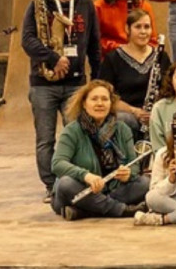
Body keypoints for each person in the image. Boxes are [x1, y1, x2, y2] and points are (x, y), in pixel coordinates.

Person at [21, 0, 101, 203]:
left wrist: (96, 80)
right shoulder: (38, 4)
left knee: (78, 136)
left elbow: (94, 45)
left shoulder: (85, 5)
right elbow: (27, 40)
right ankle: (51, 185)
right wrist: (53, 58)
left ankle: (75, 181)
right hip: (43, 84)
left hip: (76, 84)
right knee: (45, 139)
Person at [50, 81, 150, 221]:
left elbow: (133, 165)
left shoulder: (123, 129)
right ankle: (122, 210)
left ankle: (85, 211)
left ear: (111, 104)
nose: (100, 103)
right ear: (84, 103)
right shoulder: (72, 130)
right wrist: (86, 176)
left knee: (145, 183)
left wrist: (128, 174)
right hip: (82, 189)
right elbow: (57, 164)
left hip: (111, 191)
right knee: (65, 183)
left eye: (104, 99)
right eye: (94, 99)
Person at [97, 9, 171, 139]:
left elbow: (170, 92)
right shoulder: (113, 58)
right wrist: (135, 111)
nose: (143, 32)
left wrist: (156, 111)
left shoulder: (161, 57)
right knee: (123, 120)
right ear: (127, 29)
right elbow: (106, 97)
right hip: (126, 116)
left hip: (156, 115)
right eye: (138, 27)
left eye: (147, 27)